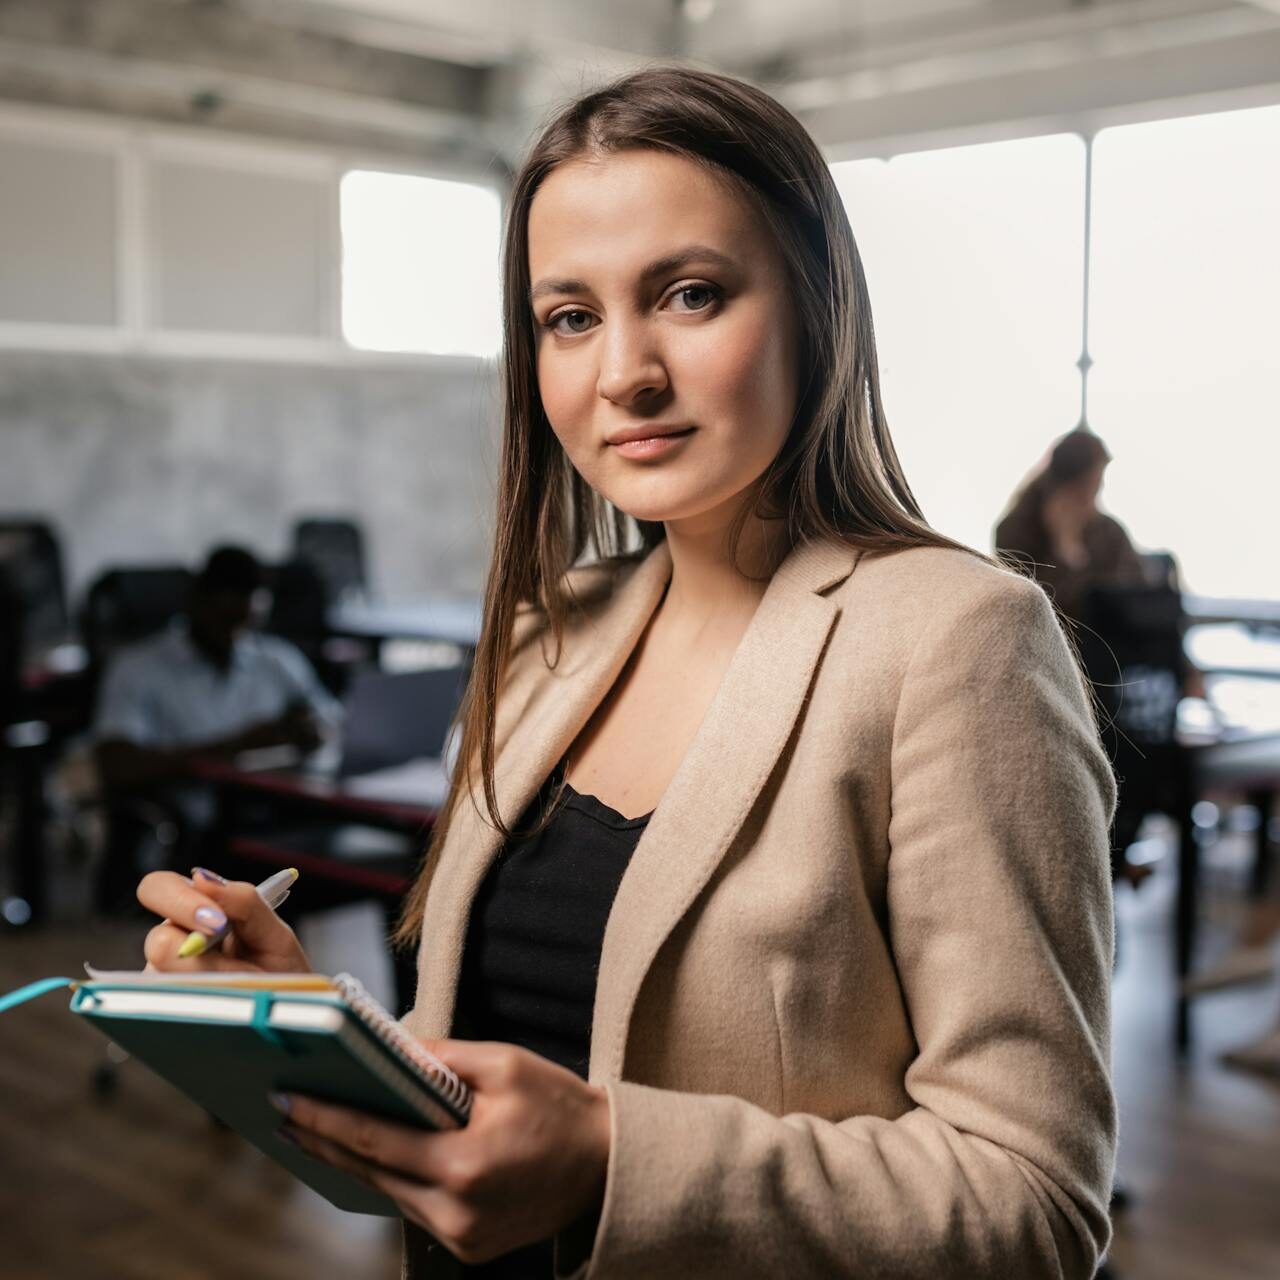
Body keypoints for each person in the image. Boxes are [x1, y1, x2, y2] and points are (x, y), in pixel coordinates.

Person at [133, 68, 1117, 1279]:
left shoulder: (957, 640)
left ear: (816, 306)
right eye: (570, 316)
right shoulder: (560, 630)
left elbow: (1033, 1205)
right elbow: (489, 1117)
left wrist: (610, 1161)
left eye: (690, 294)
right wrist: (306, 1025)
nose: (623, 374)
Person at [93, 545, 340, 895]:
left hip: (279, 815)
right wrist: (235, 746)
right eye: (225, 618)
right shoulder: (138, 669)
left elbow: (331, 723)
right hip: (199, 830)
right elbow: (116, 765)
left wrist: (310, 730)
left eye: (246, 621)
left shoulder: (275, 659)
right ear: (196, 602)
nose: (235, 633)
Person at [995, 428, 1148, 626]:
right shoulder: (1015, 532)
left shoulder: (1107, 530)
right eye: (1085, 488)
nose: (1090, 498)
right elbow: (1036, 608)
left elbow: (1138, 592)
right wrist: (1065, 546)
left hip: (1112, 644)